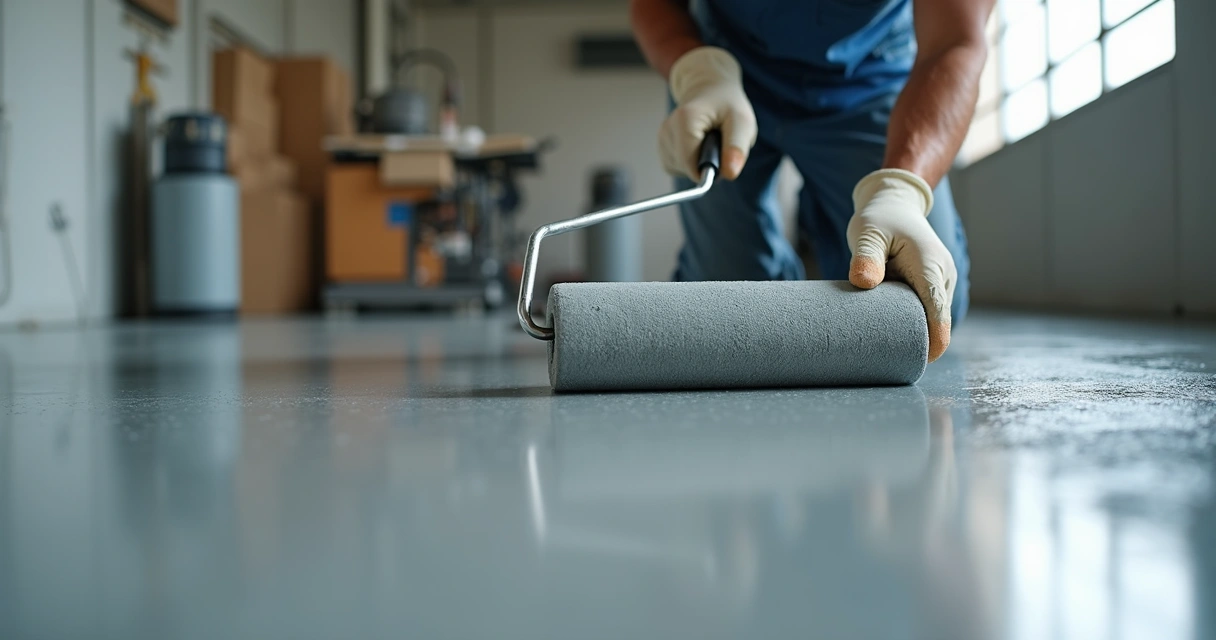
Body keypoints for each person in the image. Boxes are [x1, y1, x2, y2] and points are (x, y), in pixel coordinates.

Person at [631, 0, 996, 361]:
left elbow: (955, 42)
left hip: (868, 80)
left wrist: (902, 190)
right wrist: (698, 72)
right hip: (726, 76)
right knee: (722, 307)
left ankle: (821, 215)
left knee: (920, 302)